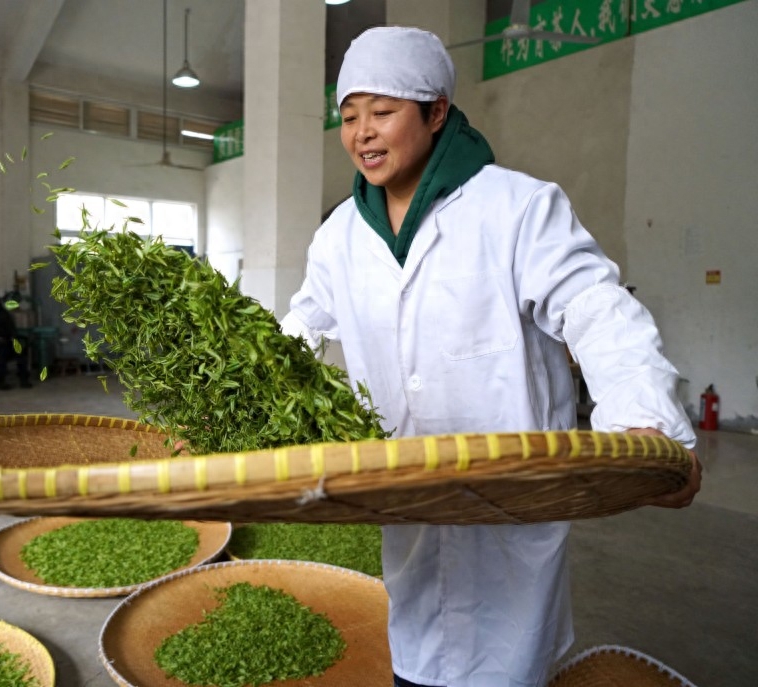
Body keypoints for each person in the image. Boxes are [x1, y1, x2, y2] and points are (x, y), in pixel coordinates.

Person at [279, 26, 702, 687]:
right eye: (349, 115)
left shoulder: (517, 208)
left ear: (437, 111)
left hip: (512, 504)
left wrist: (643, 421)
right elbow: (299, 328)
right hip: (409, 506)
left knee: (507, 664)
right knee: (416, 661)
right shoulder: (339, 237)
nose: (362, 132)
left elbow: (597, 309)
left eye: (383, 112)